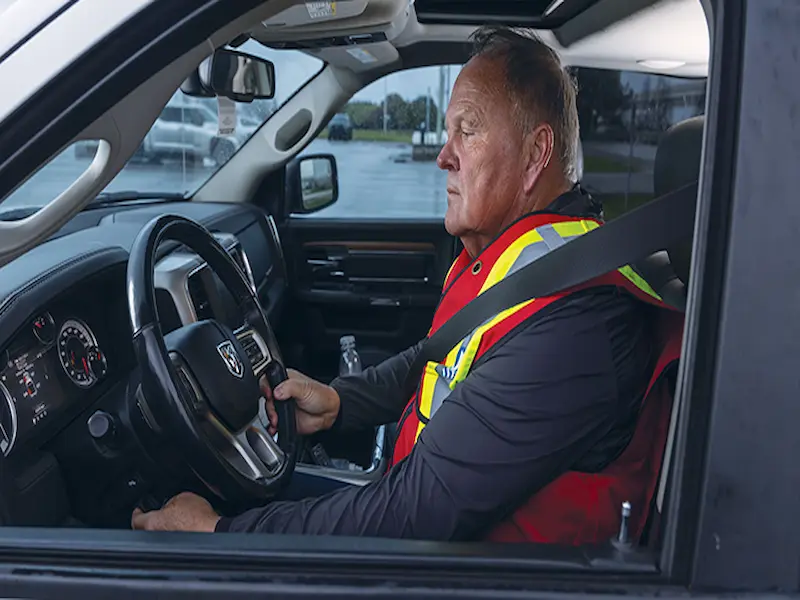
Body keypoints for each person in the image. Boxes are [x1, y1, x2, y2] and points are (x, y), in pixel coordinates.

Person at [132, 25, 682, 543]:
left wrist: (218, 536)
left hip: (479, 570)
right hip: (429, 520)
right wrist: (340, 403)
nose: (445, 156)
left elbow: (415, 511)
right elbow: (440, 356)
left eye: (467, 129)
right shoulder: (525, 254)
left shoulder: (581, 317)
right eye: (449, 132)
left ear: (537, 153)